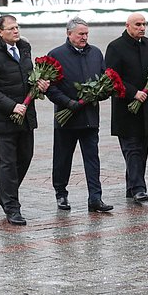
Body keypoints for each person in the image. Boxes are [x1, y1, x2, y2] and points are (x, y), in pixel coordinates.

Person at [0, 15, 50, 225]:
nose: (16, 31)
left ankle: (3, 193)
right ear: (0, 32)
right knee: (8, 163)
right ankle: (12, 208)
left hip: (26, 115)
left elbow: (28, 76)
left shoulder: (24, 48)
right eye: (11, 28)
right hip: (5, 118)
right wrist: (11, 106)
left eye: (17, 27)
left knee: (25, 157)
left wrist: (40, 85)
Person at [46, 18, 113, 213]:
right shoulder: (56, 55)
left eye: (86, 34)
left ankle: (95, 197)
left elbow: (104, 79)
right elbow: (50, 87)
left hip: (90, 117)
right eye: (80, 34)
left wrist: (102, 92)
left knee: (92, 158)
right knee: (62, 158)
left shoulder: (95, 53)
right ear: (69, 34)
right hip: (66, 118)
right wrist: (68, 103)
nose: (84, 37)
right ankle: (61, 193)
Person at [105, 13, 148, 203]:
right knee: (132, 149)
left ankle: (132, 187)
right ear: (127, 26)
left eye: (144, 24)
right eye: (138, 24)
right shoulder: (115, 47)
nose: (142, 28)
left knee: (143, 149)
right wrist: (133, 93)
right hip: (126, 108)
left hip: (146, 107)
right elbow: (112, 77)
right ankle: (139, 188)